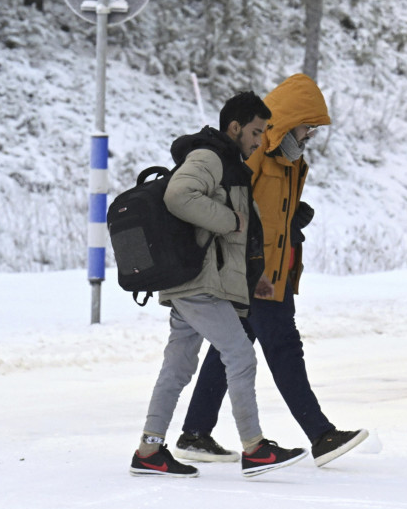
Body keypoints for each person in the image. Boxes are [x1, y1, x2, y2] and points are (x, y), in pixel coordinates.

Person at [174, 74, 369, 468]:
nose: (311, 133)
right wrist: (255, 258)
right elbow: (239, 205)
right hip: (256, 272)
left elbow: (266, 210)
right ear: (289, 121)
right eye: (307, 125)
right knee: (282, 345)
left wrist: (291, 218)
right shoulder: (258, 154)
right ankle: (321, 434)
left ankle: (195, 434)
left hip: (271, 267)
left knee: (232, 347)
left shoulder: (291, 161)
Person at [130, 91, 307, 479]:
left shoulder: (229, 163)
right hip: (197, 281)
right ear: (235, 127)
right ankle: (255, 448)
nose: (260, 141)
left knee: (177, 368)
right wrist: (230, 221)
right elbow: (180, 195)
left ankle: (149, 451)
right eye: (256, 132)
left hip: (197, 281)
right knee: (240, 355)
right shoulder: (209, 157)